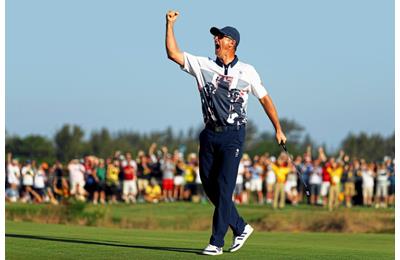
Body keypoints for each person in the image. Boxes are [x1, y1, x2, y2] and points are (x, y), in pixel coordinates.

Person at [165, 10, 287, 255]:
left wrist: (278, 128)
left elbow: (265, 100)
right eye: (216, 36)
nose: (215, 39)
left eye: (220, 37)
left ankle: (216, 242)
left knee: (224, 186)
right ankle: (240, 226)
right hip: (209, 134)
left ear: (232, 43)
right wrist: (169, 25)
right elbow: (172, 54)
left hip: (234, 135)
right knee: (210, 186)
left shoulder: (248, 71)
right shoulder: (203, 64)